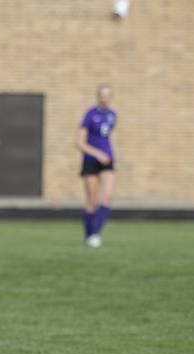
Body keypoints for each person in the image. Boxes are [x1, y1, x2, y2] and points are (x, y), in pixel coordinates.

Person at [75, 84, 117, 248]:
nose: (104, 98)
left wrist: (106, 154)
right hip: (91, 161)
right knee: (92, 200)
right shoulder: (90, 115)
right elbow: (78, 142)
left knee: (106, 197)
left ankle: (95, 234)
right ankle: (88, 235)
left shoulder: (113, 115)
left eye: (107, 95)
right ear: (97, 96)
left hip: (108, 161)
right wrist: (97, 154)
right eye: (101, 95)